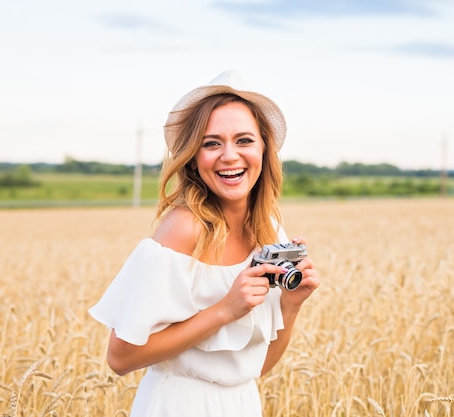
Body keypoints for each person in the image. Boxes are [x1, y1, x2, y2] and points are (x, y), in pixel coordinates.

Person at [89, 69, 320, 417]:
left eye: (244, 140)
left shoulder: (270, 230)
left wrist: (291, 305)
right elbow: (120, 358)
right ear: (194, 159)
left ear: (264, 149)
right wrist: (225, 310)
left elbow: (259, 366)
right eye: (212, 143)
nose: (230, 156)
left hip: (242, 404)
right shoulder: (183, 229)